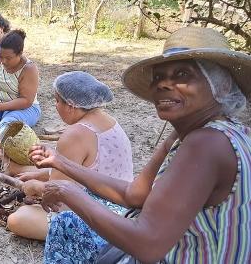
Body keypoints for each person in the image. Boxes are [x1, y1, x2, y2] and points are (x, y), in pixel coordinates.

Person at [28, 27, 251, 263]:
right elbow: (134, 194)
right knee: (67, 223)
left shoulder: (206, 144)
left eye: (183, 74)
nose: (164, 84)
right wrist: (59, 161)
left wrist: (67, 191)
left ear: (223, 85)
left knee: (65, 224)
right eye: (158, 76)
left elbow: (147, 244)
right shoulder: (200, 133)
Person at [5, 71, 134, 241]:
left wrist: (35, 186)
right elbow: (85, 169)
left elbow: (55, 194)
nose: (55, 105)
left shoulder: (75, 135)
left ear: (71, 105)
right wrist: (42, 175)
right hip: (124, 210)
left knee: (17, 219)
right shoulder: (109, 120)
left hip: (101, 221)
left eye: (57, 101)